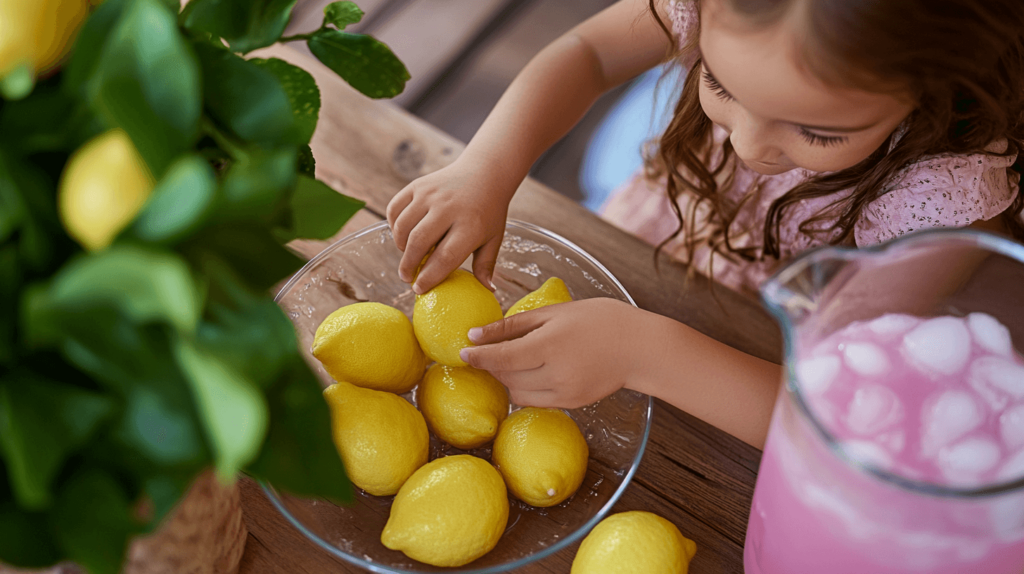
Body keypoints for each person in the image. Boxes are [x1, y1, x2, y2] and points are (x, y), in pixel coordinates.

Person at [385, 0, 1024, 448]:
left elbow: (833, 414)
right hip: (666, 223)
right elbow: (588, 52)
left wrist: (644, 351)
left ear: (939, 85)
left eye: (817, 132)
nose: (748, 146)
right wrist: (487, 167)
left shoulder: (940, 198)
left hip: (759, 357)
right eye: (717, 82)